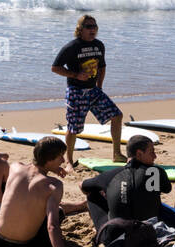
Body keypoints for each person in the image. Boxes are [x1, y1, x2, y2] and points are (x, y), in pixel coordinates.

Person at [0, 136, 86, 247]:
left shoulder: (15, 167)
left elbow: (29, 181)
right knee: (55, 211)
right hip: (26, 246)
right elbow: (52, 226)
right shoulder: (53, 186)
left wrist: (52, 168)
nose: (63, 160)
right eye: (60, 156)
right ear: (49, 159)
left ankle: (80, 205)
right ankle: (81, 205)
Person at [51, 15, 123, 166]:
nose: (93, 30)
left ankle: (117, 154)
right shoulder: (72, 47)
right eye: (89, 27)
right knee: (73, 128)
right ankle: (69, 161)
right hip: (76, 92)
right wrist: (75, 75)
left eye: (95, 27)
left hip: (94, 91)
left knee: (117, 116)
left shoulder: (99, 45)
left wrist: (100, 87)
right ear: (80, 29)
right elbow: (55, 67)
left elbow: (102, 67)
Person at [82, 134, 175, 235]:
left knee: (92, 194)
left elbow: (82, 186)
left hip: (119, 238)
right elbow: (166, 189)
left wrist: (111, 194)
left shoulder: (113, 174)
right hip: (151, 231)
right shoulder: (157, 172)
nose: (155, 156)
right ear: (139, 154)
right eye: (152, 152)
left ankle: (100, 230)